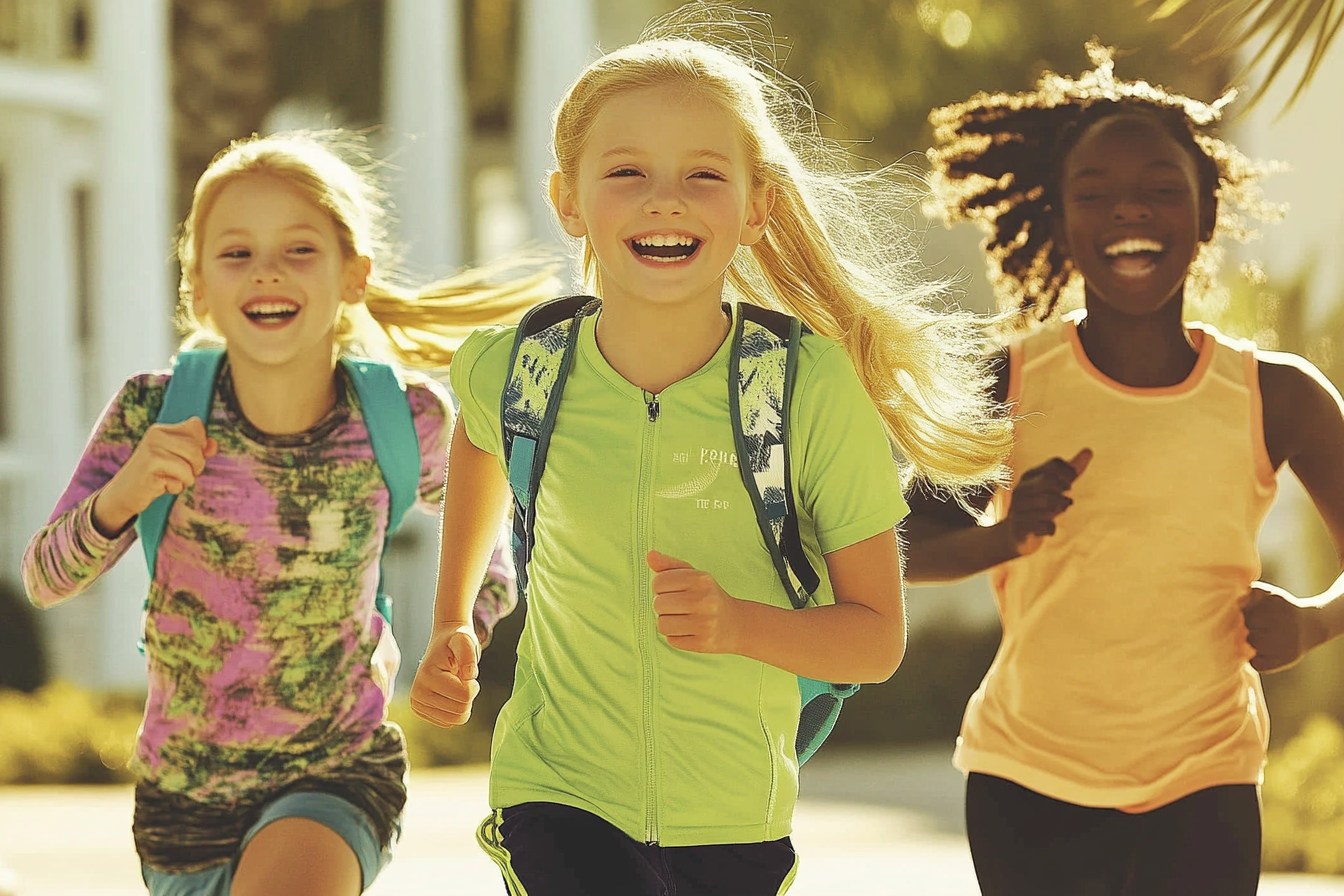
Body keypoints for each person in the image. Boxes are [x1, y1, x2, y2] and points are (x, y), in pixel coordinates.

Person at [409, 8, 1012, 896]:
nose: (665, 199)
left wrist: (742, 628)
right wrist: (455, 614)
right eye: (626, 172)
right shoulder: (522, 369)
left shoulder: (806, 388)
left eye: (702, 174)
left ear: (756, 203)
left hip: (733, 814)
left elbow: (876, 640)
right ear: (567, 200)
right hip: (555, 789)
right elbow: (477, 436)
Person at [20, 131, 550, 896]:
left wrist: (461, 623)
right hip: (181, 804)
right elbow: (43, 577)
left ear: (353, 274)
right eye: (235, 253)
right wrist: (123, 494)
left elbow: (493, 534)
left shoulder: (404, 419)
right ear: (197, 287)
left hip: (338, 772)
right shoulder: (149, 411)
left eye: (299, 249)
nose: (266, 269)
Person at [907, 44, 1344, 896]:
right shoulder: (1010, 380)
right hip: (1028, 781)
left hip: (1207, 779)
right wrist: (1005, 538)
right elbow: (902, 544)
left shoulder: (1278, 396)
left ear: (1206, 209)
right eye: (1095, 194)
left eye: (1159, 187)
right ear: (1060, 218)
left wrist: (1317, 622)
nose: (1127, 211)